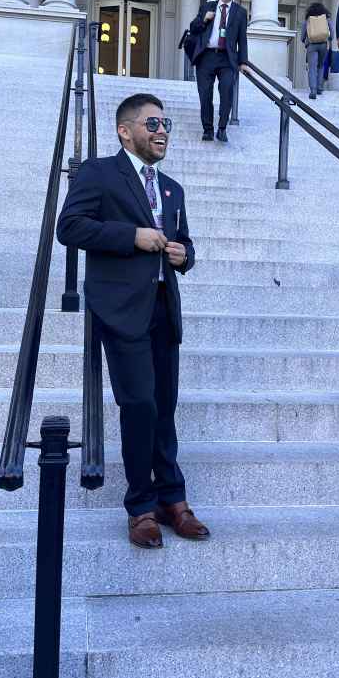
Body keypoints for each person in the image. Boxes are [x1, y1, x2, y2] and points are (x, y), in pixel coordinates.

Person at [56, 93, 210, 549]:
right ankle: (141, 506)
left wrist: (185, 257)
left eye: (165, 124)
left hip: (164, 308)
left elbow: (182, 242)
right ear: (126, 130)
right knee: (140, 404)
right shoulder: (100, 174)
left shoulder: (172, 189)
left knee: (164, 406)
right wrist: (132, 237)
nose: (161, 131)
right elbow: (70, 226)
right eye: (152, 123)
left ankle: (172, 499)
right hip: (121, 310)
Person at [189, 0, 249, 143]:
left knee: (227, 91)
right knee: (205, 94)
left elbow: (242, 39)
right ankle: (208, 129)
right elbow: (193, 28)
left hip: (227, 59)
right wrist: (204, 19)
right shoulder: (207, 6)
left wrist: (243, 62)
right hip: (206, 56)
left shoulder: (240, 12)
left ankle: (222, 128)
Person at [299, 2, 334, 100]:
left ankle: (313, 90)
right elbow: (332, 33)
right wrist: (329, 39)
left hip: (311, 45)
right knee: (321, 66)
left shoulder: (308, 20)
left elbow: (302, 36)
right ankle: (319, 87)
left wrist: (305, 41)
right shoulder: (326, 19)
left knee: (312, 67)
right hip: (323, 45)